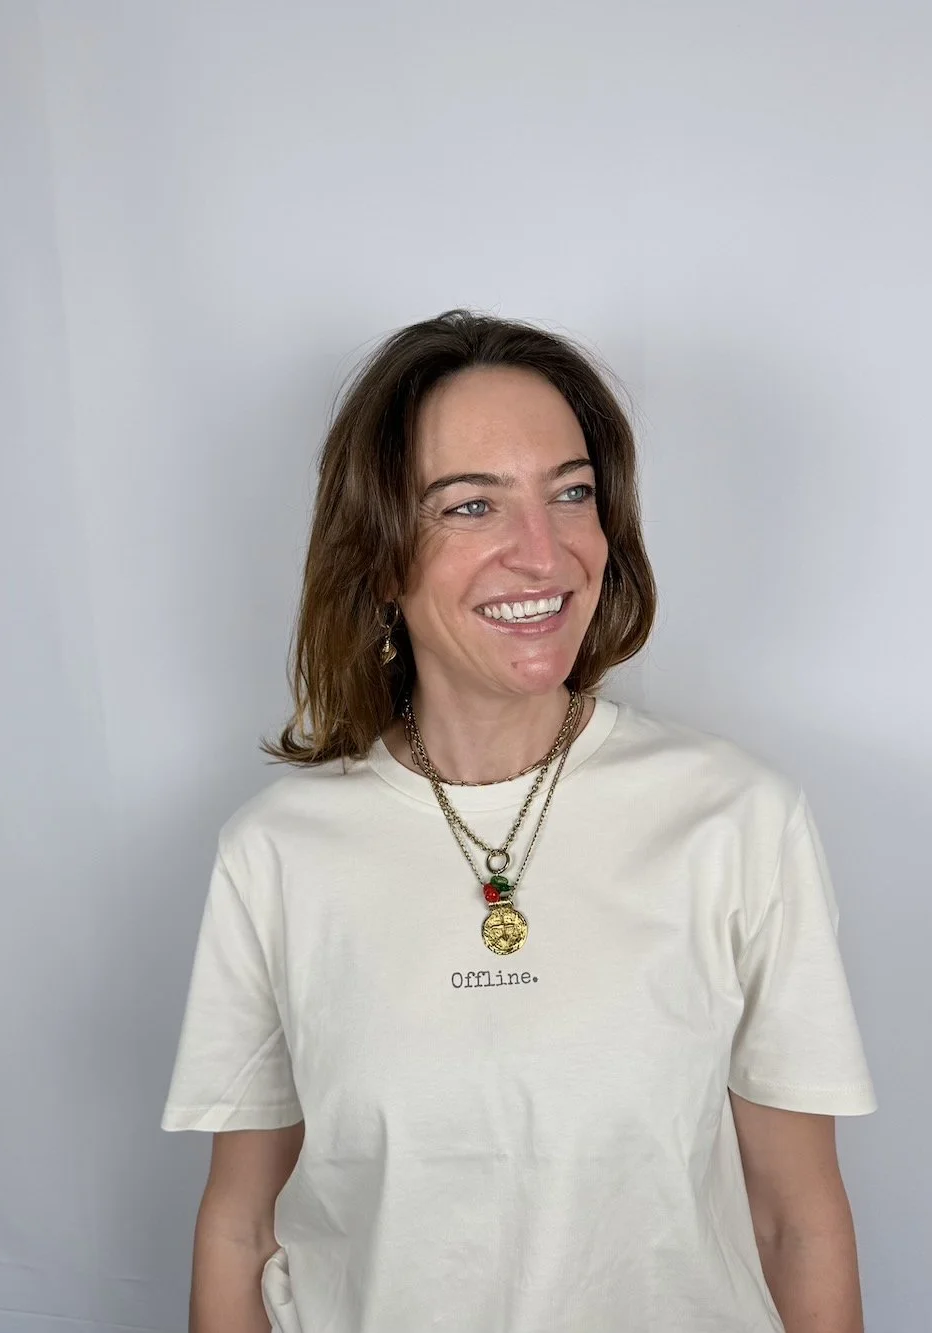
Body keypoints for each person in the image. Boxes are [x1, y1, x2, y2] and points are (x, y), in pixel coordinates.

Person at [161, 310, 877, 1333]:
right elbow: (240, 1227)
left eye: (571, 493)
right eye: (470, 506)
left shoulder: (738, 820)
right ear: (378, 557)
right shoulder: (276, 853)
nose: (542, 554)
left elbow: (796, 1220)